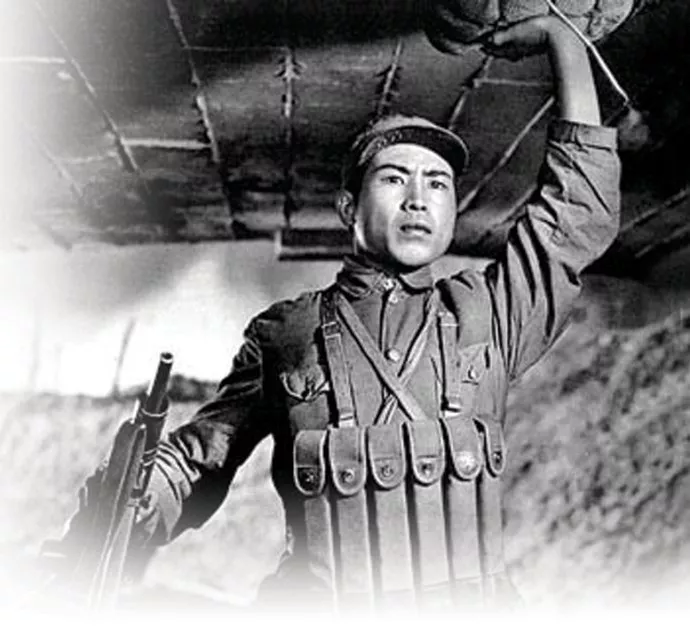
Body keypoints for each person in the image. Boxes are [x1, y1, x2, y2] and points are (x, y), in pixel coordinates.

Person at [58, 13, 620, 614]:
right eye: (395, 179)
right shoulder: (287, 334)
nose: (418, 199)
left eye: (438, 184)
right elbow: (199, 459)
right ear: (349, 207)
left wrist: (565, 43)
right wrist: (138, 498)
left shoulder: (488, 314)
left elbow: (576, 215)